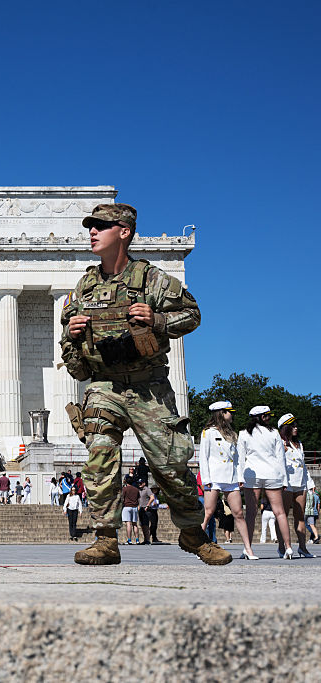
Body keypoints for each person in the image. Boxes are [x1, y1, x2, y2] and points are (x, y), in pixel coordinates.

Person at [60, 203, 229, 566]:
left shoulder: (151, 279)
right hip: (105, 385)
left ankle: (192, 534)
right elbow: (72, 359)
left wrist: (157, 319)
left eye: (101, 226)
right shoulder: (84, 287)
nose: (92, 232)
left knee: (170, 465)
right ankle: (105, 538)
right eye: (90, 226)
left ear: (124, 232)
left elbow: (192, 315)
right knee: (99, 455)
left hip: (147, 385)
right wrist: (71, 336)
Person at [199, 401, 255, 559]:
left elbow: (237, 459)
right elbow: (204, 458)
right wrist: (206, 479)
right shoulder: (208, 432)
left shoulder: (231, 434)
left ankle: (248, 549)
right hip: (214, 477)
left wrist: (240, 477)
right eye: (229, 412)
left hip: (230, 477)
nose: (232, 414)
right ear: (221, 413)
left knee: (238, 513)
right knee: (208, 513)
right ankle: (198, 546)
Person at [239, 406, 293, 560]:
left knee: (251, 513)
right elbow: (280, 458)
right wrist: (285, 479)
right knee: (280, 512)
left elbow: (241, 458)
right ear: (262, 417)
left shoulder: (243, 434)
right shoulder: (274, 433)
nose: (269, 418)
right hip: (272, 474)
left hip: (252, 475)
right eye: (267, 416)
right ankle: (288, 548)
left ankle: (247, 548)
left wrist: (239, 478)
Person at [278, 414, 313, 558]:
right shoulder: (280, 443)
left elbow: (303, 466)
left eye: (296, 425)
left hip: (300, 483)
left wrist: (309, 483)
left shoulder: (299, 444)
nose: (295, 428)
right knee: (283, 515)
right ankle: (283, 547)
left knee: (300, 516)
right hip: (286, 483)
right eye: (292, 426)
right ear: (285, 428)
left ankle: (303, 548)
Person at [305, 480, 319, 545]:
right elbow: (318, 506)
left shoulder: (309, 495)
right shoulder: (317, 496)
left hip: (310, 512)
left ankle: (316, 536)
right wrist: (318, 512)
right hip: (315, 512)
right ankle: (313, 538)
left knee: (310, 525)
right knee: (312, 525)